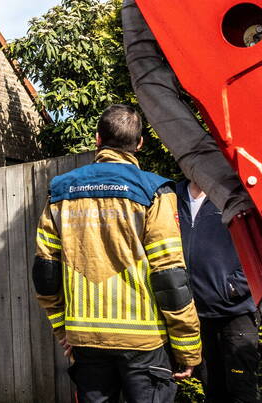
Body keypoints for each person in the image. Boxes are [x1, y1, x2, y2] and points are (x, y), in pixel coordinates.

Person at [33, 104, 202, 403]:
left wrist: (63, 329)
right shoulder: (155, 192)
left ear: (97, 139)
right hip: (144, 342)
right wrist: (186, 347)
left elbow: (46, 272)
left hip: (86, 338)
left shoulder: (60, 192)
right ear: (140, 143)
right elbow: (169, 276)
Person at [177, 177, 259, 402]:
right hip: (196, 315)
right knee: (212, 389)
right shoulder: (173, 195)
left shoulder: (234, 193)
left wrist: (235, 286)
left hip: (236, 313)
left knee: (242, 391)